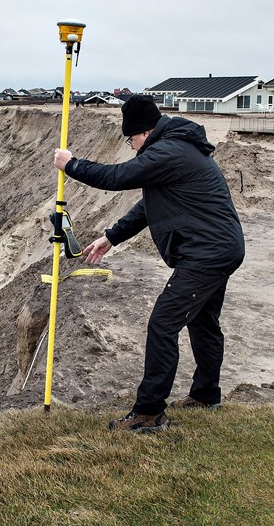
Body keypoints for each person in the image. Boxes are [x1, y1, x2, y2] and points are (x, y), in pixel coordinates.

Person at [53, 94, 244, 432]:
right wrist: (112, 236)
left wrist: (71, 165)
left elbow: (117, 177)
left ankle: (149, 413)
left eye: (130, 140)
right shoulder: (175, 149)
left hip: (207, 253)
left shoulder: (168, 151)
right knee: (203, 323)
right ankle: (205, 395)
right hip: (219, 248)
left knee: (162, 324)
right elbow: (148, 207)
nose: (131, 147)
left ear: (144, 132)